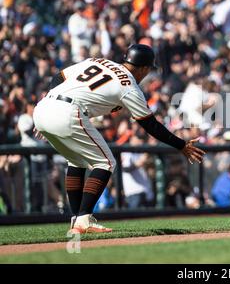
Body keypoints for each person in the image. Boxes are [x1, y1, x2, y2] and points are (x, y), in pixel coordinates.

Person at [33, 44, 205, 233]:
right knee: (106, 162)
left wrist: (49, 106)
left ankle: (76, 219)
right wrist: (181, 145)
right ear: (143, 68)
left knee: (77, 161)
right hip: (68, 112)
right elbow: (151, 125)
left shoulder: (98, 60)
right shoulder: (129, 85)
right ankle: (83, 219)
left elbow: (58, 77)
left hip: (44, 107)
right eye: (148, 70)